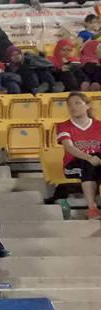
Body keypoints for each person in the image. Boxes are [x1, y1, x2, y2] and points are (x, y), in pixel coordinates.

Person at [57, 91, 101, 219]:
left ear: (87, 105)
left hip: (96, 162)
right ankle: (92, 208)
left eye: (77, 103)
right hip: (73, 165)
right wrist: (89, 157)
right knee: (87, 165)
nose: (73, 107)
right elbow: (69, 147)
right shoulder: (63, 126)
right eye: (70, 104)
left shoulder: (99, 125)